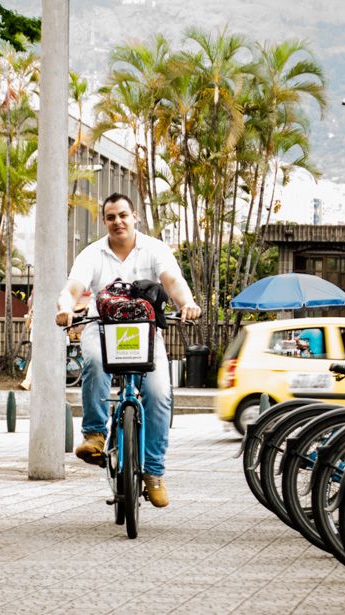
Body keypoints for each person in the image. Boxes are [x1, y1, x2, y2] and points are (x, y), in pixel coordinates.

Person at [55, 193, 201, 508]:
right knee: (93, 362)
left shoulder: (155, 249)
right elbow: (72, 289)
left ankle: (154, 472)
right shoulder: (92, 253)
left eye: (123, 215)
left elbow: (173, 281)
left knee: (160, 393)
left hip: (145, 333)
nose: (118, 222)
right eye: (111, 217)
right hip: (102, 328)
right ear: (104, 221)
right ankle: (94, 434)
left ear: (134, 216)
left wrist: (186, 303)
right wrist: (66, 308)